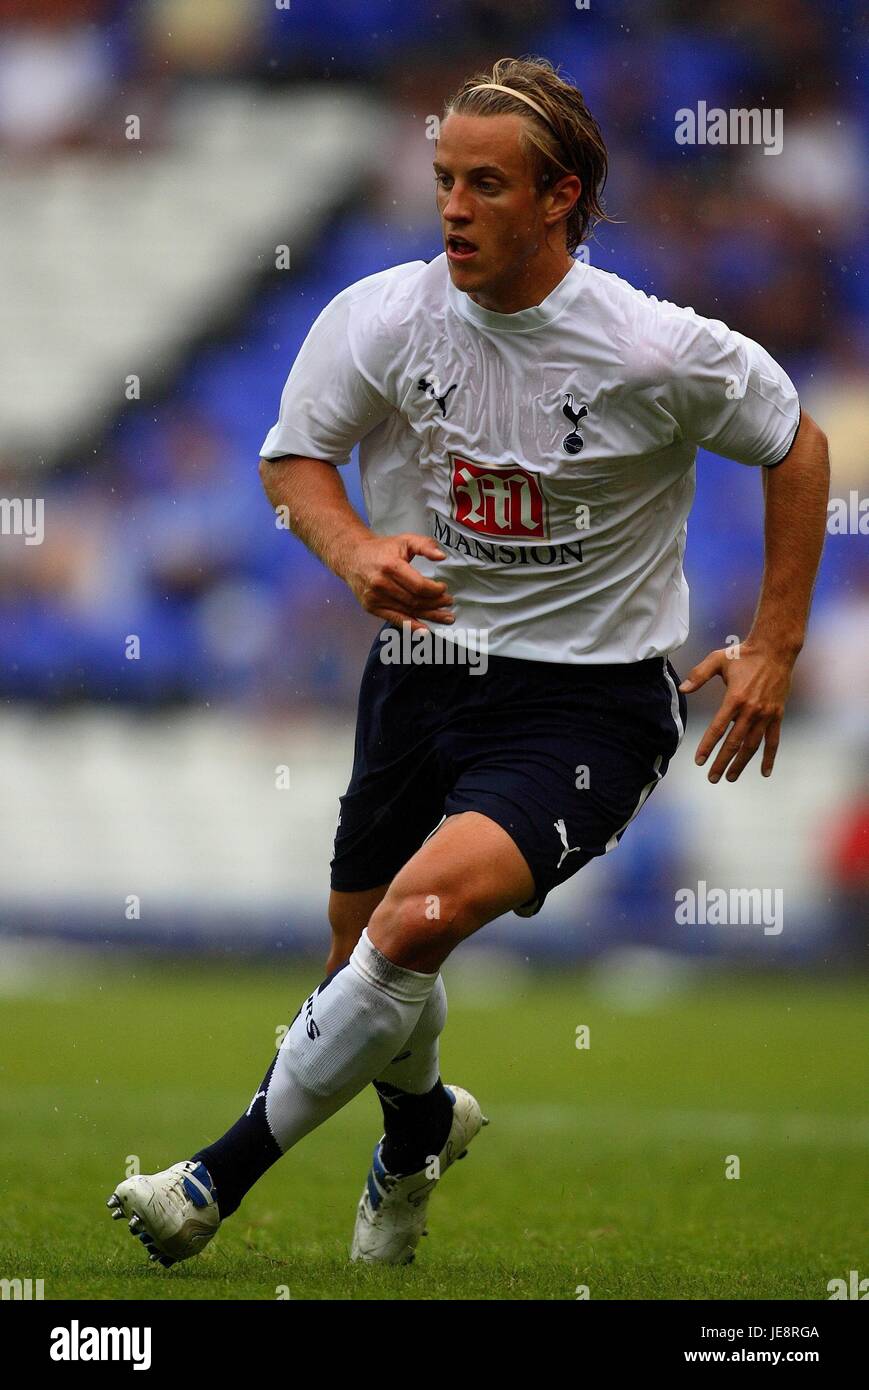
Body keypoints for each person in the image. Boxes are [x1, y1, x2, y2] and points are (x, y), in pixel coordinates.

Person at [107, 56, 830, 1270]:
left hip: (586, 704)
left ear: (558, 198)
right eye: (442, 178)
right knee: (364, 965)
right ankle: (418, 1133)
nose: (450, 205)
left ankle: (207, 1182)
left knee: (411, 924)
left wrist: (772, 641)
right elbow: (295, 458)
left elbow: (794, 445)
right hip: (422, 667)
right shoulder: (386, 315)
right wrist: (350, 555)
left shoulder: (653, 350)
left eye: (484, 184)